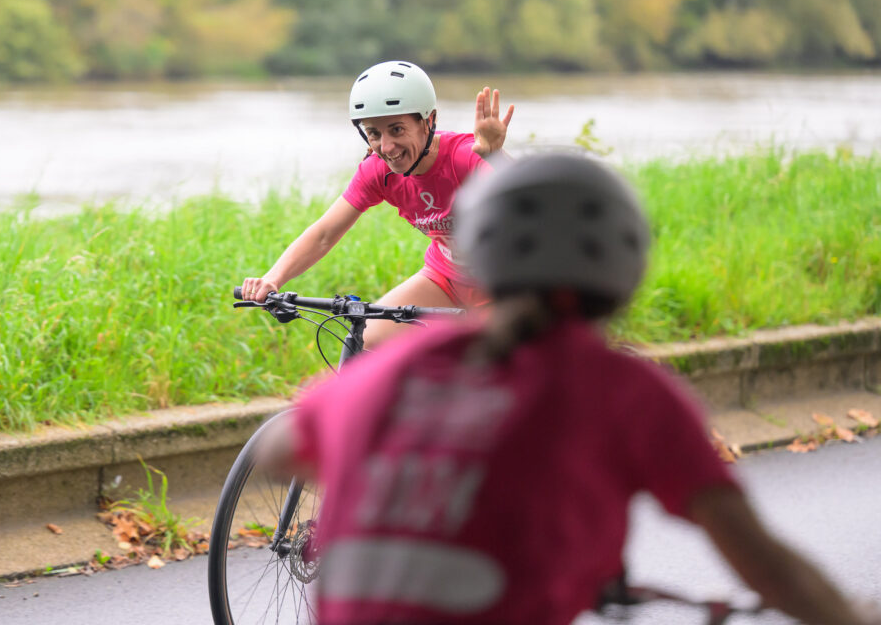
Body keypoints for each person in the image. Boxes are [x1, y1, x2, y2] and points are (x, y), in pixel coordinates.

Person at [259, 153, 881, 624]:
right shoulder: (623, 390)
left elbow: (279, 452)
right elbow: (762, 561)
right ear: (622, 270)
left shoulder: (397, 366)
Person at [239, 60, 514, 347]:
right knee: (366, 339)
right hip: (445, 278)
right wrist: (273, 279)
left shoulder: (464, 156)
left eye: (397, 130)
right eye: (374, 133)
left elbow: (533, 201)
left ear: (428, 121)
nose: (386, 147)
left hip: (506, 280)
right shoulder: (377, 171)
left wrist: (494, 156)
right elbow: (324, 234)